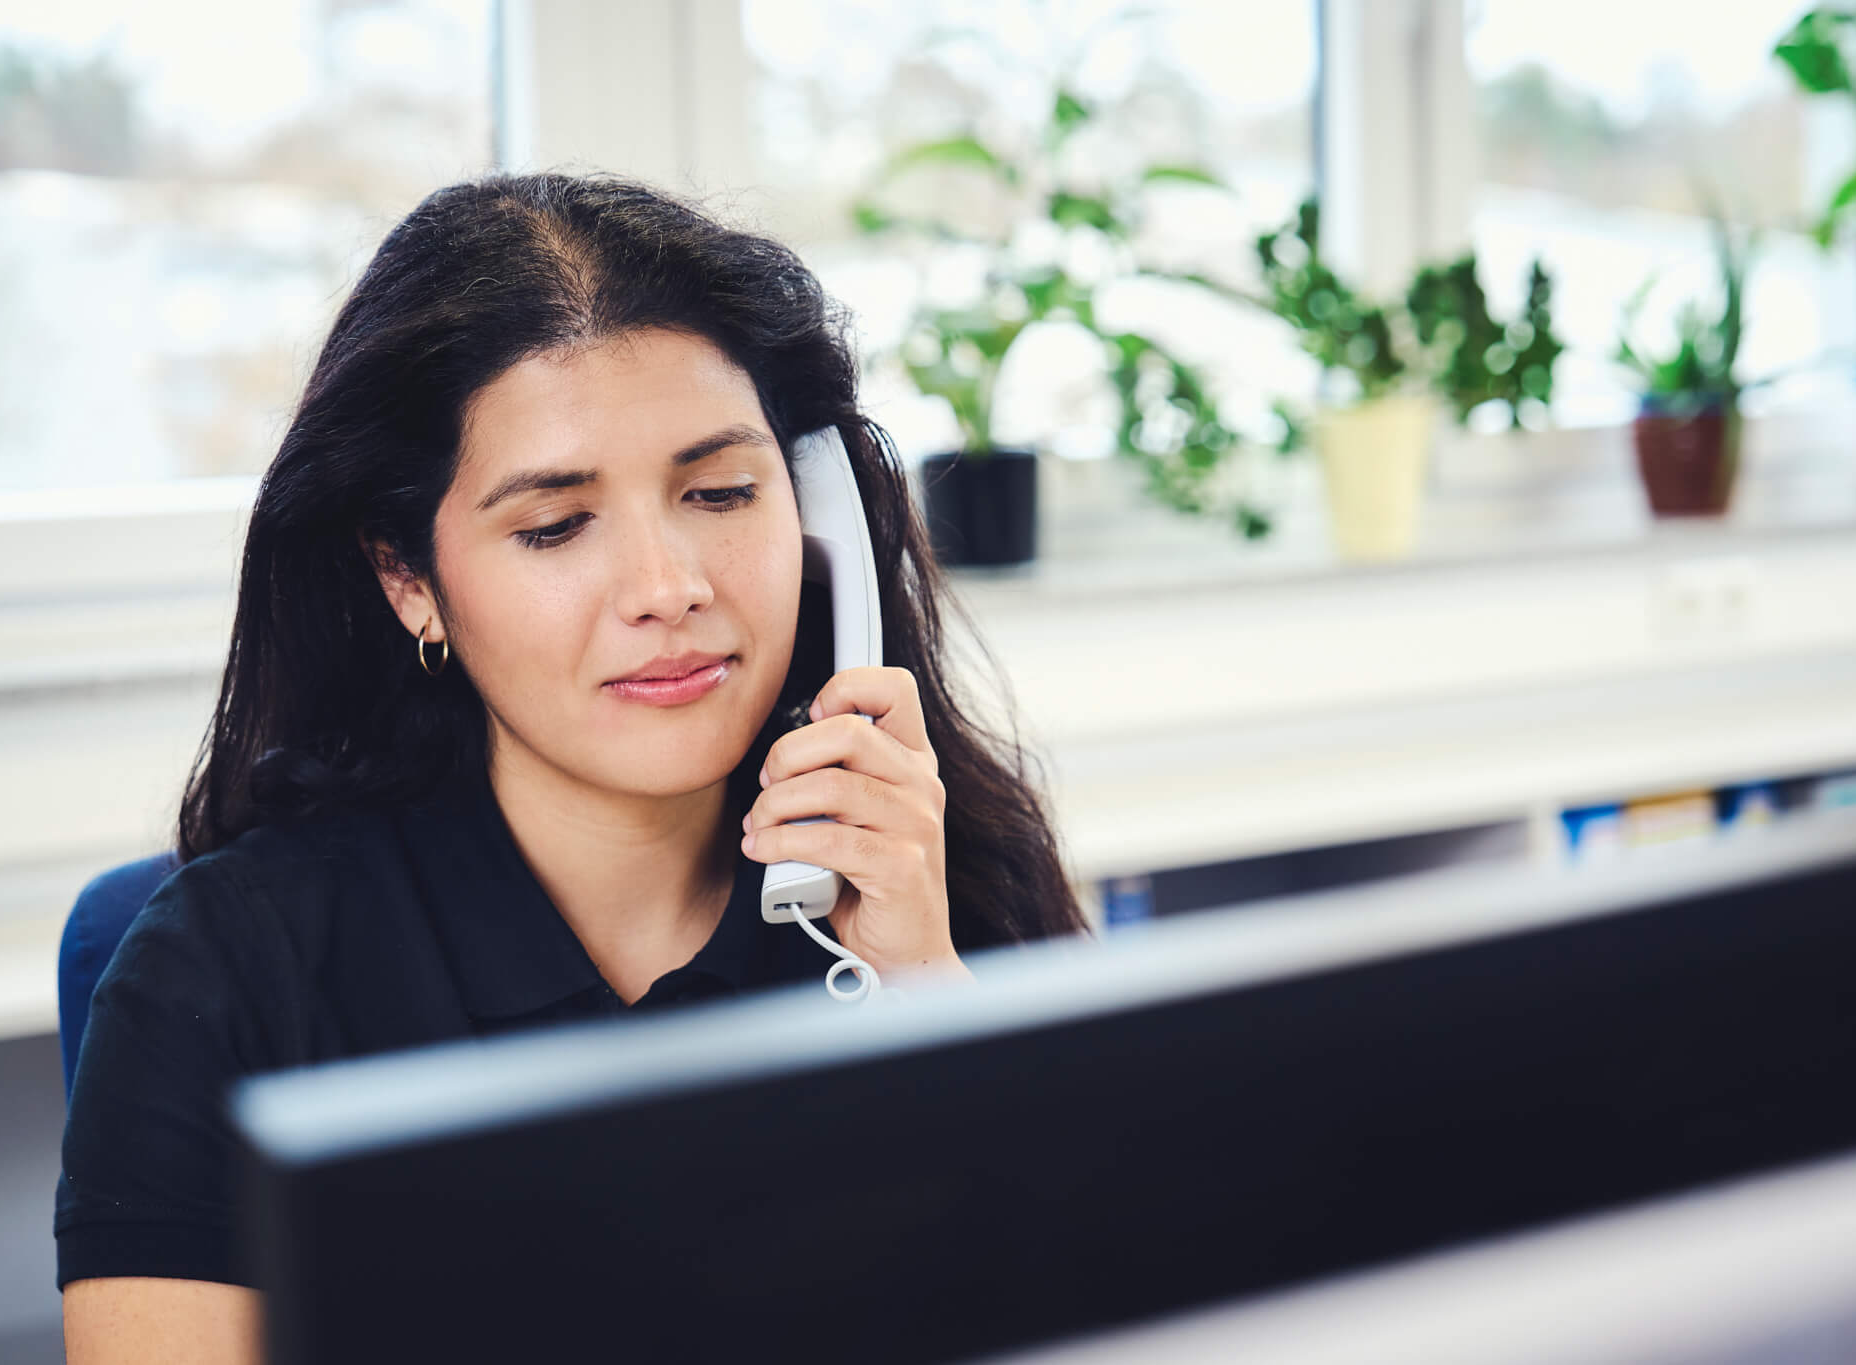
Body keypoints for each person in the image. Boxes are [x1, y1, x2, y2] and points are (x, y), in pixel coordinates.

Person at [56, 171, 1090, 1361]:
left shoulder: (935, 886)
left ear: (816, 524)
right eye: (553, 526)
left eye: (719, 493)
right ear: (407, 580)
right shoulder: (228, 972)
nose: (669, 591)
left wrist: (926, 1000)